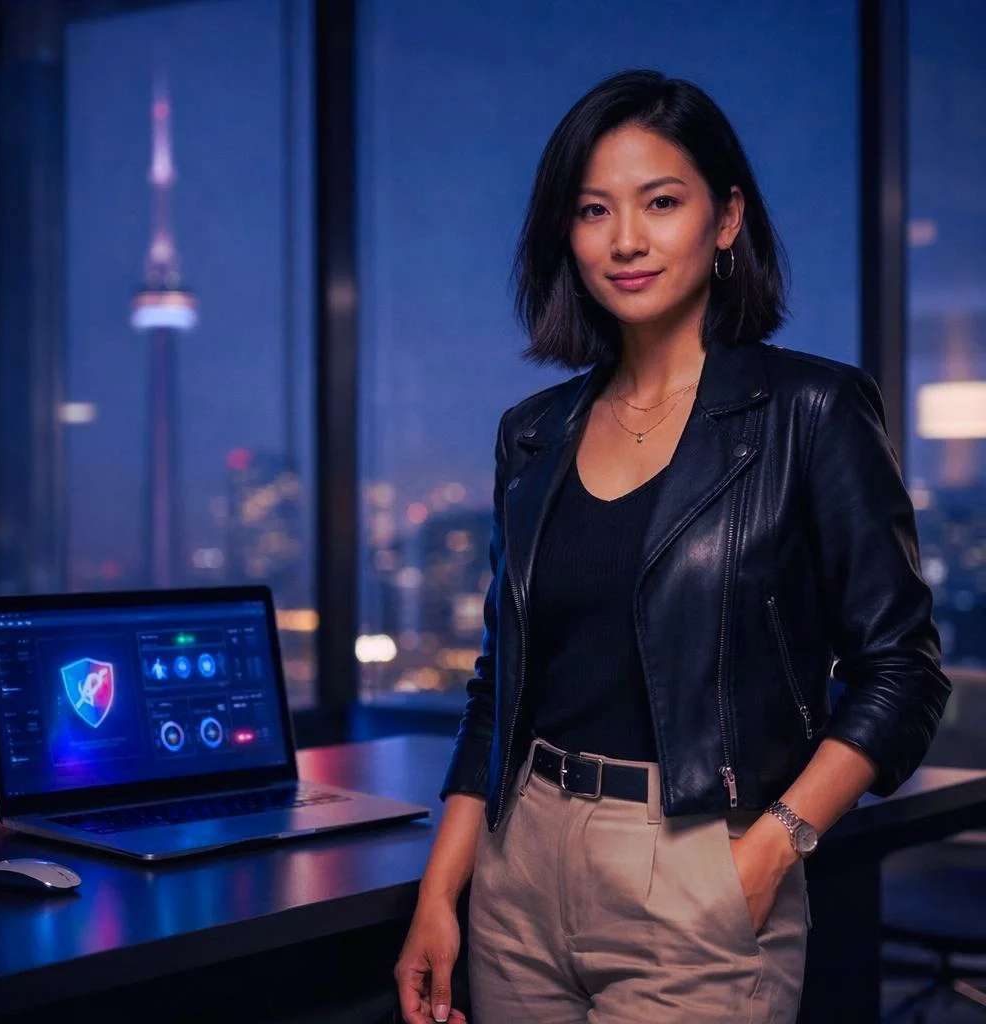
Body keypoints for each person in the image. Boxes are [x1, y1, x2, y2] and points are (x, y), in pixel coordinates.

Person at [393, 68, 951, 1024]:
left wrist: (769, 848)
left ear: (726, 218)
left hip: (696, 864)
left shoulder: (809, 411)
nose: (625, 240)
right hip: (518, 870)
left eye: (661, 202)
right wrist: (441, 895)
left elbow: (902, 673)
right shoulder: (533, 432)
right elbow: (499, 690)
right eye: (593, 209)